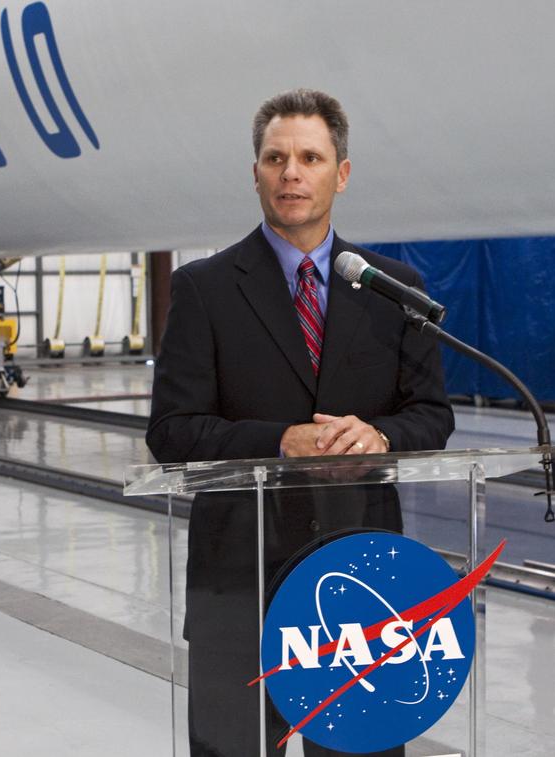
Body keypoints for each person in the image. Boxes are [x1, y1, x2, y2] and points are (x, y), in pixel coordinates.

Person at [146, 88, 454, 756]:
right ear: (254, 172)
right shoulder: (205, 289)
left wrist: (382, 436)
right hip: (238, 583)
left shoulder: (394, 291)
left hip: (360, 581)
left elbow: (432, 415)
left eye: (310, 157)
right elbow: (171, 431)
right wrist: (280, 440)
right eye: (275, 157)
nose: (292, 172)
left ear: (340, 173)